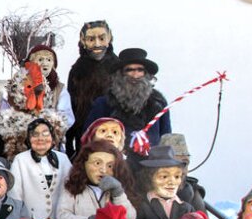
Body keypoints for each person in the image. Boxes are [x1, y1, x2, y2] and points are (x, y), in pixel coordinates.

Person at [55, 141, 138, 219]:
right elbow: (62, 218)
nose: (103, 170)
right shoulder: (72, 186)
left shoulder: (116, 189)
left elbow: (130, 218)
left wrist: (118, 193)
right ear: (84, 164)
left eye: (110, 166)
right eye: (97, 163)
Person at [85, 48, 171, 147]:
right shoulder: (104, 103)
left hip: (151, 159)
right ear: (121, 74)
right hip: (115, 159)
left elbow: (166, 138)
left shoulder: (158, 103)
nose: (135, 75)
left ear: (146, 73)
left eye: (140, 70)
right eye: (129, 70)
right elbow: (89, 136)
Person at [9, 118, 72, 219]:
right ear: (28, 138)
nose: (40, 138)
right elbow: (15, 194)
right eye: (35, 134)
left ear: (52, 137)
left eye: (45, 133)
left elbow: (71, 189)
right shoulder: (20, 160)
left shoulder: (63, 159)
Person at [65, 20, 121, 155]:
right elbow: (72, 107)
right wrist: (69, 140)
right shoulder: (77, 71)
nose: (97, 44)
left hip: (114, 137)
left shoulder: (119, 69)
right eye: (91, 39)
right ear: (83, 40)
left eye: (102, 38)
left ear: (110, 38)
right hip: (85, 137)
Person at [0, 61, 69, 162]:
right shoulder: (6, 124)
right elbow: (1, 157)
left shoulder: (54, 122)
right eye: (29, 87)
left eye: (40, 87)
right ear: (18, 90)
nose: (37, 90)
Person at [131, 145, 194, 219]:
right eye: (164, 176)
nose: (172, 182)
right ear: (149, 178)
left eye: (176, 176)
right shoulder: (140, 206)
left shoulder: (187, 209)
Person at [24, 43, 74, 127]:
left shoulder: (59, 89)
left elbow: (67, 118)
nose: (45, 63)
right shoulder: (21, 83)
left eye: (49, 60)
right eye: (40, 59)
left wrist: (49, 121)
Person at [158, 134, 207, 213]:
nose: (181, 171)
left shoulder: (193, 196)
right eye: (174, 164)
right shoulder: (143, 195)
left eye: (184, 163)